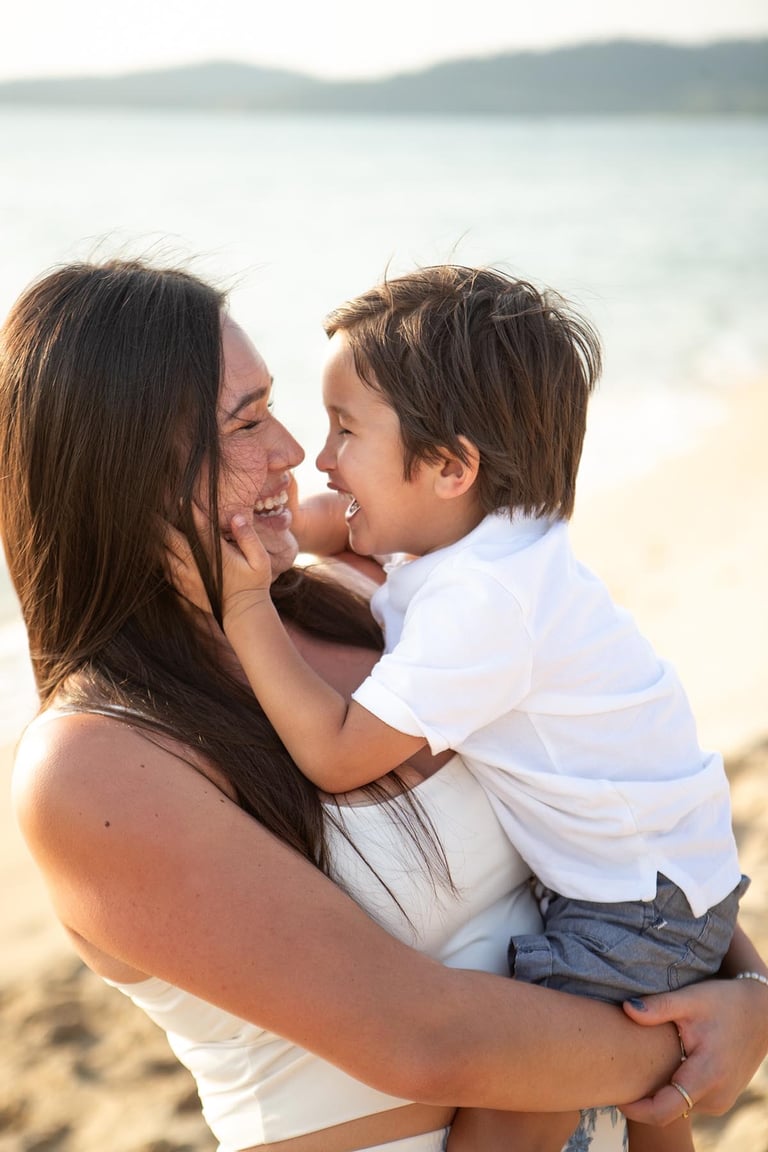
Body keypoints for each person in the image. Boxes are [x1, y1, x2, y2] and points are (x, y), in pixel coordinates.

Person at [0, 258, 766, 1152]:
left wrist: (746, 989)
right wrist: (696, 1044)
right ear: (121, 473)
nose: (293, 450)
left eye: (281, 408)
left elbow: (609, 818)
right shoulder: (94, 769)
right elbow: (423, 1038)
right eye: (247, 422)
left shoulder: (365, 608)